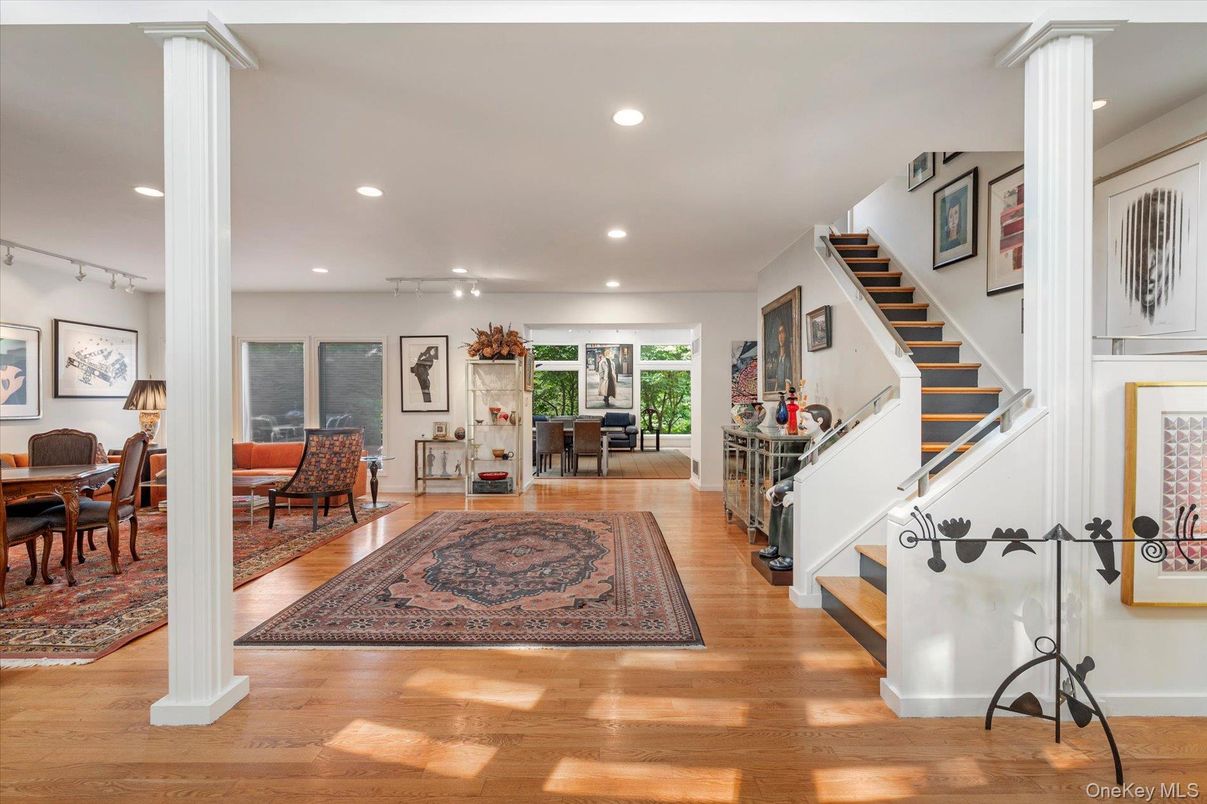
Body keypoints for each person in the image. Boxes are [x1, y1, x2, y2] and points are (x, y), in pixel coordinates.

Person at [768, 321, 791, 393]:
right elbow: (777, 382)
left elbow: (787, 385)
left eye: (782, 332)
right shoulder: (778, 359)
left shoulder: (787, 359)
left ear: (786, 335)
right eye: (779, 333)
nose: (780, 336)